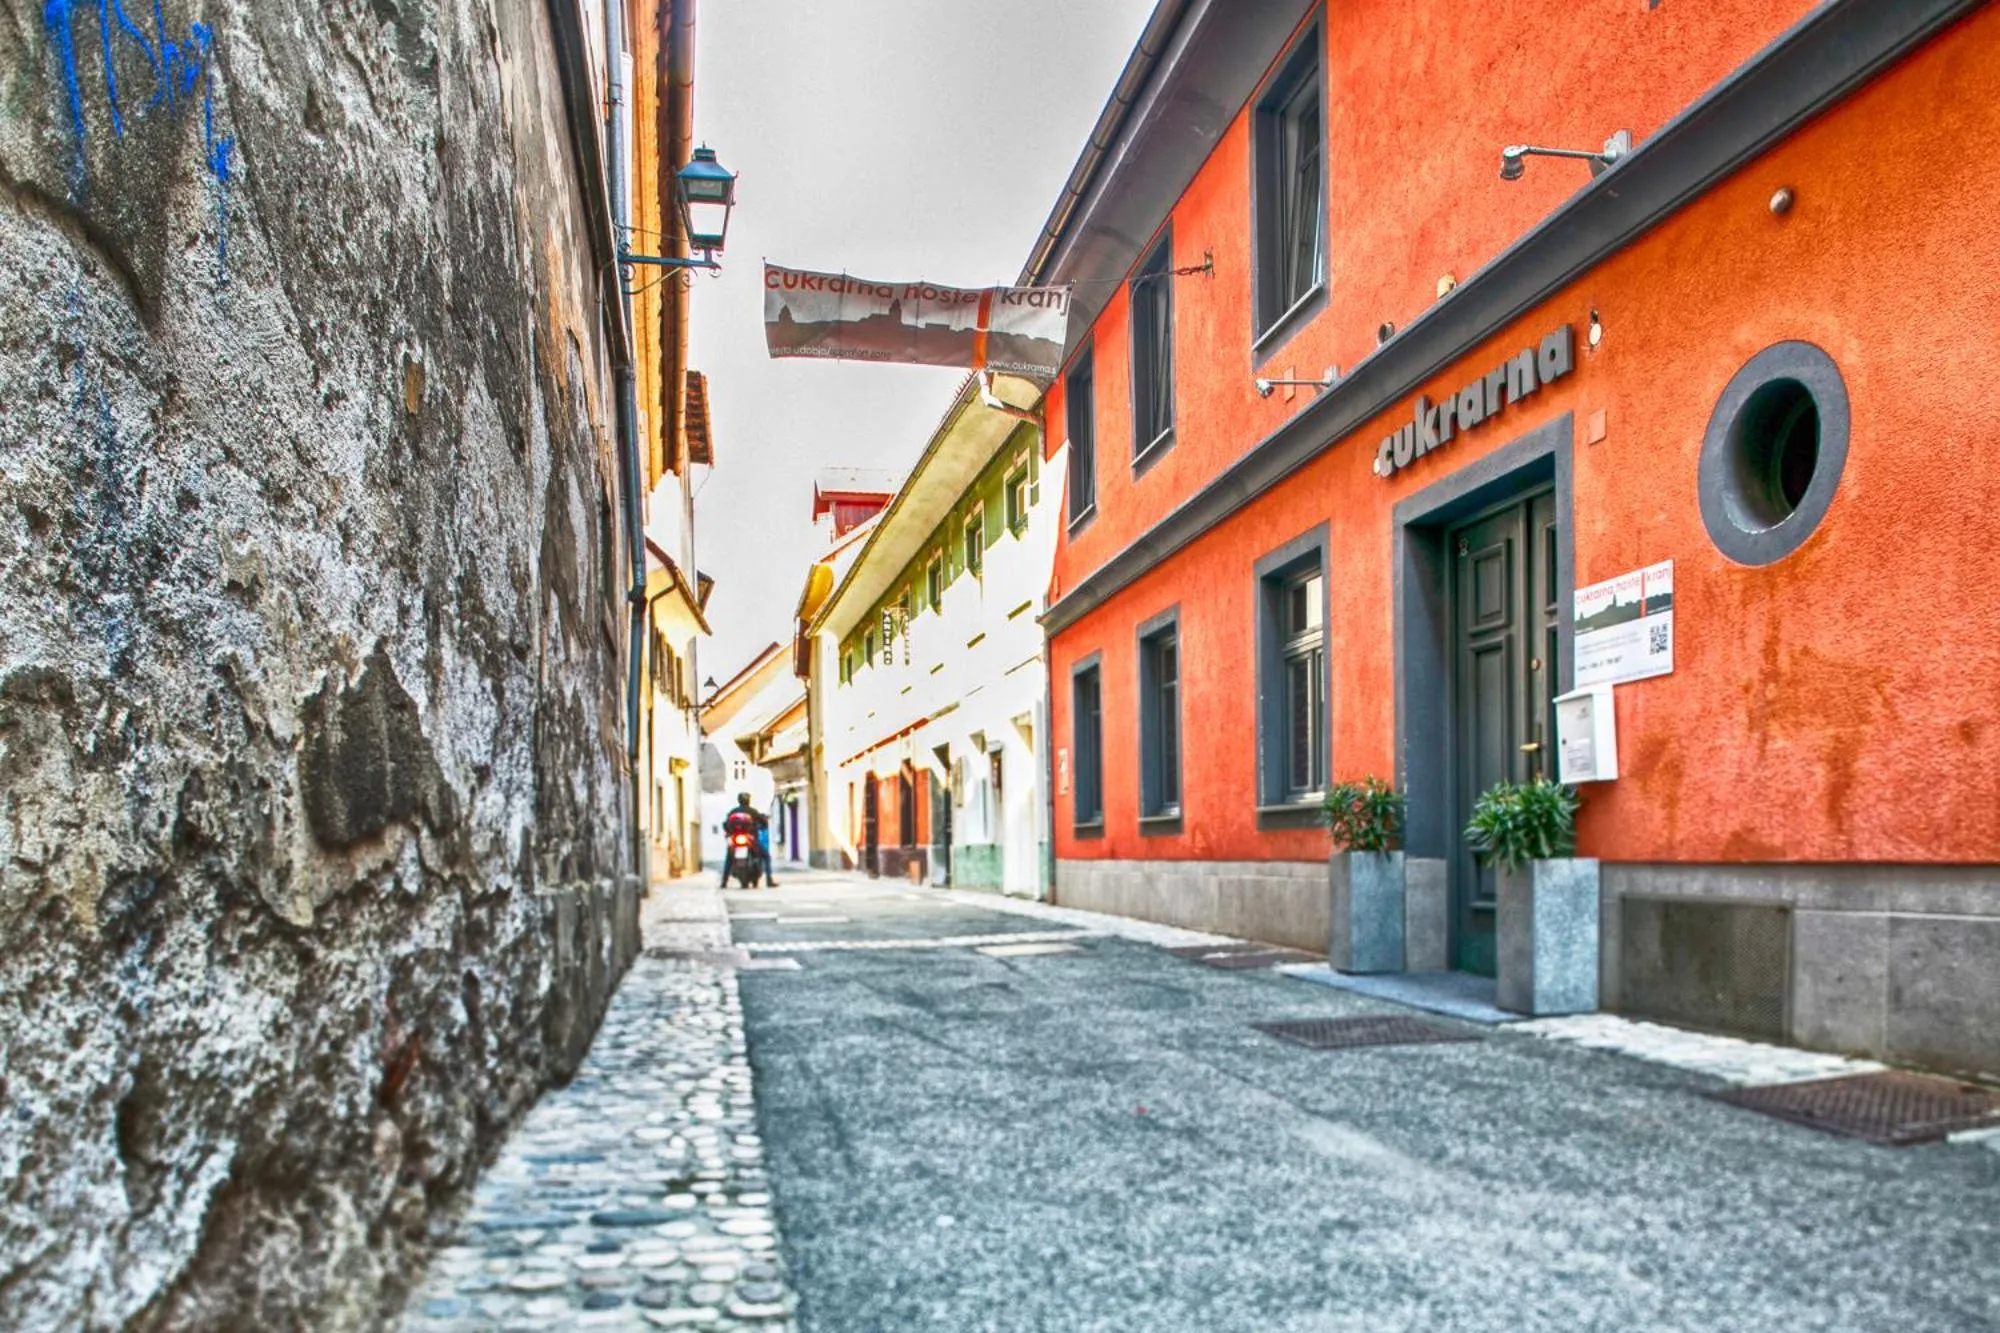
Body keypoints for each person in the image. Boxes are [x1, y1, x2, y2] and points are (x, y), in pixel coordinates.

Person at [719, 792, 773, 888]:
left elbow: (725, 825)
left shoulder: (733, 812)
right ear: (748, 800)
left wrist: (729, 833)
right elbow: (763, 822)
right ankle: (769, 880)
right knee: (766, 856)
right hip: (750, 840)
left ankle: (724, 881)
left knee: (729, 858)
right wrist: (762, 825)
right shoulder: (753, 811)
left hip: (736, 839)